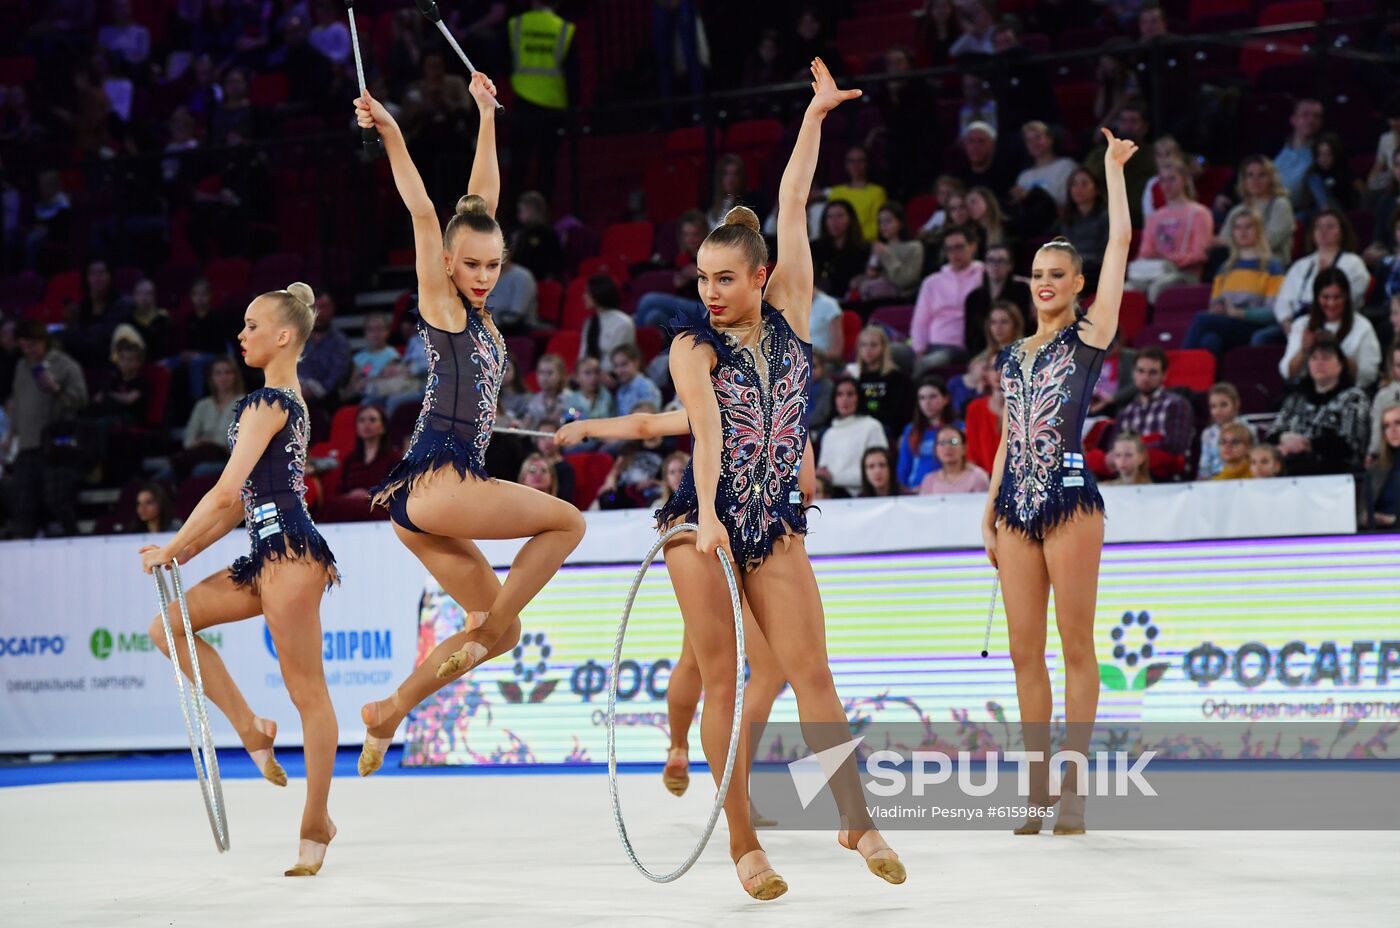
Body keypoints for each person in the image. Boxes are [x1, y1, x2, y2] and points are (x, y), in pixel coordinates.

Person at [655, 59, 904, 897]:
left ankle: (855, 818)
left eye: (725, 278)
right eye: (702, 279)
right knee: (728, 678)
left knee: (813, 675)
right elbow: (709, 432)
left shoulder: (793, 317)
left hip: (775, 524)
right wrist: (714, 516)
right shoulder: (692, 346)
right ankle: (743, 844)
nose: (711, 292)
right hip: (702, 525)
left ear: (761, 277)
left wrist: (816, 117)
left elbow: (793, 200)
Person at [353, 75, 586, 777]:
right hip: (440, 476)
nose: (483, 276)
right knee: (568, 523)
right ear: (449, 265)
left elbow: (477, 201)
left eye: (493, 265)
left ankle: (389, 710)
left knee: (505, 634)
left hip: (423, 505)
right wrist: (393, 132)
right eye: (472, 265)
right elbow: (429, 213)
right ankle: (483, 625)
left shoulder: (478, 310)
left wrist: (486, 113)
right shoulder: (445, 304)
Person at [138, 283, 339, 877]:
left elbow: (227, 491)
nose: (241, 334)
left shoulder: (268, 401)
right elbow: (232, 508)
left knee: (310, 694)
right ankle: (251, 727)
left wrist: (172, 546)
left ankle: (315, 823)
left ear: (283, 336)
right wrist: (181, 552)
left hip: (292, 557)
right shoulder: (275, 403)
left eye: (253, 325)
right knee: (167, 627)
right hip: (265, 553)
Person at [983, 128, 1139, 836]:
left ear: (1077, 287)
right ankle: (1036, 790)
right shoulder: (1012, 355)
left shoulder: (1091, 334)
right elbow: (1009, 439)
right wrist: (987, 514)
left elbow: (1121, 247)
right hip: (1014, 508)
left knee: (1077, 645)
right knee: (1023, 651)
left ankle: (1073, 789)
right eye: (1037, 274)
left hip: (1071, 503)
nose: (1045, 282)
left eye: (1057, 274)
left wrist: (1111, 172)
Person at [554, 408, 800, 831]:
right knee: (756, 673)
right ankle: (734, 786)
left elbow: (646, 425)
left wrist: (588, 427)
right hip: (740, 535)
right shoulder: (766, 403)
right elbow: (804, 478)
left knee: (700, 660)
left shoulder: (728, 402)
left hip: (714, 535)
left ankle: (681, 747)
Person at [4, 320, 88, 538]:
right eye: (23, 346)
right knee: (22, 504)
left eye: (31, 345)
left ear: (43, 341)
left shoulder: (64, 365)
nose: (28, 351)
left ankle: (75, 540)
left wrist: (57, 389)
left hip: (55, 447)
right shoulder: (22, 367)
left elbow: (81, 400)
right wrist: (10, 434)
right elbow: (18, 402)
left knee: (57, 500)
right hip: (26, 445)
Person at [1183, 210, 1286, 359]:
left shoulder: (1272, 266)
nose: (1242, 232)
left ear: (1258, 230)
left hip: (1254, 326)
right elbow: (1214, 304)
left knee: (1201, 319)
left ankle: (1178, 367)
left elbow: (1273, 313)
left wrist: (1240, 313)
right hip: (1227, 323)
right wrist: (1218, 309)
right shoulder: (1225, 268)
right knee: (1210, 341)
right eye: (1238, 227)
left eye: (1248, 227)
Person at [1267, 338, 1370, 476]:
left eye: (1326, 358)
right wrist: (1284, 437)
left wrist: (1307, 445)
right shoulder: (1296, 397)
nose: (1319, 363)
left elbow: (1353, 445)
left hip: (1334, 472)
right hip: (1289, 466)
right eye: (1314, 358)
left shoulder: (1354, 397)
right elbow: (1272, 434)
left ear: (1340, 365)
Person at [1269, 209, 1372, 342]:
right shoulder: (1301, 265)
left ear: (1342, 232)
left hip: (1337, 323)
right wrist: (1290, 331)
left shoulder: (1353, 263)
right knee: (1263, 338)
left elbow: (1351, 299)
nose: (1323, 231)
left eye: (1330, 226)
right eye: (1318, 227)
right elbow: (1283, 303)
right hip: (1297, 323)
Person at [507, 1, 575, 200]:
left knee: (519, 164)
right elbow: (573, 75)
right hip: (553, 105)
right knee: (547, 165)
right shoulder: (564, 29)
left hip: (522, 101)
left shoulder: (516, 24)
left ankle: (512, 216)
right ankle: (542, 214)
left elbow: (502, 60)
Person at [1124, 161, 1213, 302]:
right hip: (1155, 271)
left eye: (1172, 179)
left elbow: (1199, 255)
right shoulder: (1155, 217)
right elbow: (1145, 252)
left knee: (1157, 288)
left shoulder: (1199, 213)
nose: (1167, 184)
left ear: (1184, 180)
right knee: (1125, 291)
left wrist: (1167, 258)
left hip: (1185, 273)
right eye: (1162, 180)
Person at [1279, 268, 1382, 389]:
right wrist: (1303, 350)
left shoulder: (1363, 326)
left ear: (1346, 298)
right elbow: (1287, 373)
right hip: (1308, 392)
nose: (1331, 303)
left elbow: (1368, 376)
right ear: (1317, 298)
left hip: (1348, 392)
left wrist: (1336, 350)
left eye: (1337, 297)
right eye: (1326, 297)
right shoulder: (1302, 325)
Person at [1110, 347, 1193, 479]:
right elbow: (1114, 448)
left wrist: (1134, 452)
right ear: (1133, 373)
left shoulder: (1176, 404)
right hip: (1130, 479)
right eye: (1141, 371)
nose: (1145, 377)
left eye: (1153, 372)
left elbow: (1176, 445)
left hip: (1166, 479)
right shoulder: (1125, 412)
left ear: (1164, 375)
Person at [911, 226, 984, 369]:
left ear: (972, 247)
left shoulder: (984, 274)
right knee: (893, 353)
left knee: (927, 364)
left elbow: (1018, 281)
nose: (954, 253)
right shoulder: (932, 282)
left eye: (959, 247)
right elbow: (920, 320)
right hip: (933, 344)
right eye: (949, 249)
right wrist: (918, 350)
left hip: (961, 347)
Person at [1215, 155, 1296, 263]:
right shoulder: (1239, 209)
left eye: (1261, 175)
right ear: (1244, 180)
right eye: (1250, 175)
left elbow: (1270, 240)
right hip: (1238, 259)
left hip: (1270, 262)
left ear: (1271, 179)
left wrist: (1234, 242)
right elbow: (1223, 238)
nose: (1255, 180)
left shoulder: (1280, 205)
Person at [817, 375, 888, 496]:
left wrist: (834, 478)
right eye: (839, 394)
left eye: (850, 394)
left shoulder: (872, 426)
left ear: (858, 398)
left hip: (863, 498)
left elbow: (880, 472)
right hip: (832, 499)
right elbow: (822, 475)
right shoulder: (829, 434)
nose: (844, 400)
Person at [178, 356, 243, 480]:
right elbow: (188, 439)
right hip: (199, 453)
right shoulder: (203, 405)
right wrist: (199, 443)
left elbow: (240, 442)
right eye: (218, 373)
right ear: (212, 378)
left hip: (226, 457)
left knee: (198, 470)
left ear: (235, 376)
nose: (223, 377)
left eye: (228, 372)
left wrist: (211, 442)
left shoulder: (245, 403)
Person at [849, 326, 912, 442]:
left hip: (886, 427)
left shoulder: (897, 377)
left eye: (873, 345)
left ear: (883, 348)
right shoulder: (854, 377)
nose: (868, 349)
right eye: (863, 345)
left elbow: (900, 413)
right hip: (858, 425)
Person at [964, 248, 1030, 356]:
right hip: (982, 353)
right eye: (991, 260)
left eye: (1001, 261)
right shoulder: (973, 297)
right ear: (985, 265)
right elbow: (970, 338)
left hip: (1015, 350)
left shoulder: (1021, 291)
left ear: (1010, 266)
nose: (995, 265)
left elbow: (1023, 327)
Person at [856, 201, 924, 300]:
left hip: (903, 296)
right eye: (880, 222)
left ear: (900, 223)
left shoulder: (915, 247)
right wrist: (871, 272)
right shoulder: (880, 246)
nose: (883, 226)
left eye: (888, 221)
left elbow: (905, 281)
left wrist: (886, 255)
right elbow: (873, 273)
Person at [897, 376, 954, 491]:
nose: (927, 403)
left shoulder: (958, 428)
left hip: (950, 490)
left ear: (946, 399)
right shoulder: (911, 430)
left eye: (932, 397)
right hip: (915, 491)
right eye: (922, 398)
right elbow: (903, 467)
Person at [823, 145, 887, 242]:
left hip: (866, 244)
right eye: (851, 161)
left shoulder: (877, 192)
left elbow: (878, 224)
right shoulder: (836, 192)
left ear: (867, 164)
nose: (856, 165)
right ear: (846, 165)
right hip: (839, 244)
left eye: (860, 160)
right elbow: (830, 223)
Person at [1058, 167, 1108, 288]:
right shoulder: (1067, 219)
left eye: (1084, 184)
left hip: (1097, 270)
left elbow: (1107, 252)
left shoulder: (1106, 217)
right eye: (1074, 184)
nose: (1078, 189)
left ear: (1096, 190)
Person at [810, 199, 869, 298]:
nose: (834, 222)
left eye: (840, 216)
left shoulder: (864, 248)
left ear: (850, 219)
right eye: (830, 217)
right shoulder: (814, 247)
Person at [579, 275, 636, 373]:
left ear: (598, 293)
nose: (584, 296)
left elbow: (618, 360)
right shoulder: (589, 323)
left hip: (614, 376)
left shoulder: (623, 323)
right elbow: (583, 355)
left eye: (587, 292)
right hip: (590, 376)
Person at [1275, 98, 1325, 208]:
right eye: (1305, 115)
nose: (1311, 120)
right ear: (1293, 120)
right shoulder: (1274, 148)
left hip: (1302, 213)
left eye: (1316, 116)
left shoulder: (1323, 152)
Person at [917, 425, 987, 494]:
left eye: (954, 442)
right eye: (942, 442)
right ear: (935, 449)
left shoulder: (978, 477)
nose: (948, 447)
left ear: (964, 448)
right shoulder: (929, 480)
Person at [1363, 401, 1400, 528]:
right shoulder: (1377, 468)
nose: (1393, 430)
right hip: (1381, 537)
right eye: (1386, 426)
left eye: (1398, 423)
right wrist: (1366, 518)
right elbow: (1361, 512)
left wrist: (1394, 520)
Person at [1197, 383, 1244, 480]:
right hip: (1215, 481)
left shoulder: (1247, 429)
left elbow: (1252, 459)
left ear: (1236, 404)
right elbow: (1204, 466)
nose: (1218, 410)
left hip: (1241, 479)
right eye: (1213, 406)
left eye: (1223, 405)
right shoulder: (1208, 434)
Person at [1368, 341, 1400, 463]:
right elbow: (1377, 429)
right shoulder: (1383, 396)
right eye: (1399, 365)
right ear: (1392, 368)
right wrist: (1373, 453)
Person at [610, 343, 662, 414]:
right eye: (616, 366)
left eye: (624, 364)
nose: (619, 371)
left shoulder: (646, 387)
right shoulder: (621, 390)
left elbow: (648, 418)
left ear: (636, 363)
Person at [524, 353, 571, 428]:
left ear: (561, 375)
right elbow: (525, 427)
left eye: (550, 373)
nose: (544, 378)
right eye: (541, 372)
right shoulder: (534, 400)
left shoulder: (570, 398)